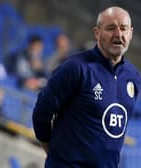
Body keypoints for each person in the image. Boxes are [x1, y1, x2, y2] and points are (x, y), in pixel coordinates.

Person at [32, 6, 141, 168]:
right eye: (111, 28)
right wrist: (53, 152)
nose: (118, 35)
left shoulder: (133, 76)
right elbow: (41, 113)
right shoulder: (75, 67)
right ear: (97, 33)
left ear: (130, 33)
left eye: (123, 29)